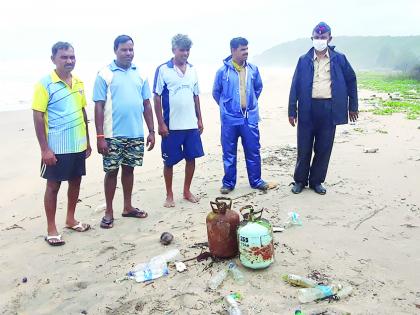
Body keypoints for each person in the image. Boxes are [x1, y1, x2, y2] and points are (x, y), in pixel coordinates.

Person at [288, 22, 358, 195]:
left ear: (329, 38)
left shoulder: (339, 59)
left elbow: (351, 80)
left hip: (329, 108)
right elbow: (295, 85)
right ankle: (299, 181)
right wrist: (292, 110)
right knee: (304, 147)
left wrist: (353, 106)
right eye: (317, 37)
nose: (320, 40)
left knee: (324, 148)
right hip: (307, 109)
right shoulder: (303, 60)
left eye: (323, 37)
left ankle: (316, 181)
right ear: (312, 38)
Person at [32, 42, 91, 246]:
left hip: (78, 144)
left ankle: (70, 218)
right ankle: (51, 228)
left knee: (76, 181)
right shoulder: (44, 84)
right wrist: (45, 149)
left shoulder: (80, 83)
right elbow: (38, 117)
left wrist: (88, 142)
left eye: (72, 57)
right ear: (53, 59)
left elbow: (83, 113)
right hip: (56, 146)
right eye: (64, 57)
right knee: (53, 186)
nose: (69, 61)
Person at [93, 35, 155, 228]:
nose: (128, 53)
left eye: (131, 49)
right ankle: (109, 211)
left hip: (135, 133)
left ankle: (128, 207)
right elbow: (99, 106)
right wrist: (100, 136)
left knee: (129, 170)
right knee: (111, 172)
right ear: (115, 50)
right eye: (124, 50)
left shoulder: (141, 74)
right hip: (112, 135)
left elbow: (146, 104)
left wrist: (151, 131)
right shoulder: (104, 74)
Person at [153, 34, 204, 208]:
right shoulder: (163, 69)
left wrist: (200, 119)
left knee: (191, 158)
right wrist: (160, 123)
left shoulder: (193, 69)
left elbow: (196, 95)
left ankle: (186, 191)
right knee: (169, 162)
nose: (185, 53)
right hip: (171, 126)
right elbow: (156, 97)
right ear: (174, 50)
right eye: (182, 49)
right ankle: (169, 194)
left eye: (187, 50)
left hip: (190, 125)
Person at [212, 37, 268, 194]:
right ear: (233, 50)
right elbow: (216, 93)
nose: (246, 52)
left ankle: (256, 180)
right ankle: (228, 183)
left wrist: (249, 104)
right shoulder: (222, 72)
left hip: (249, 118)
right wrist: (227, 107)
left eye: (247, 49)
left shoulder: (253, 69)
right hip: (229, 119)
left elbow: (258, 88)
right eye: (243, 49)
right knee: (229, 151)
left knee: (253, 149)